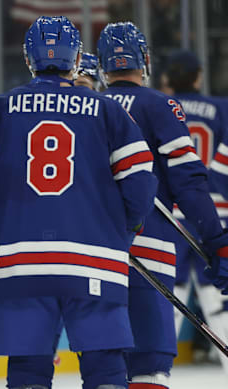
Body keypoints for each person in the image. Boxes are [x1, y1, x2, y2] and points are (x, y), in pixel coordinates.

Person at [0, 16, 158, 389]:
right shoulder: (108, 111)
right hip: (96, 261)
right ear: (76, 62)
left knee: (28, 372)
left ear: (28, 60)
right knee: (105, 369)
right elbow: (140, 184)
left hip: (22, 266)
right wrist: (124, 229)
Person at [97, 22, 228, 388]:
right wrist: (217, 240)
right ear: (146, 61)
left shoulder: (86, 108)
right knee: (149, 361)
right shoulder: (159, 104)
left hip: (90, 250)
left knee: (103, 365)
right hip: (153, 238)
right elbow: (188, 180)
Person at [163, 49, 228, 373]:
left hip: (171, 215)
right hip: (214, 213)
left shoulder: (158, 106)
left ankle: (154, 373)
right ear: (199, 75)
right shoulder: (221, 109)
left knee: (169, 299)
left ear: (166, 79)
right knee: (218, 302)